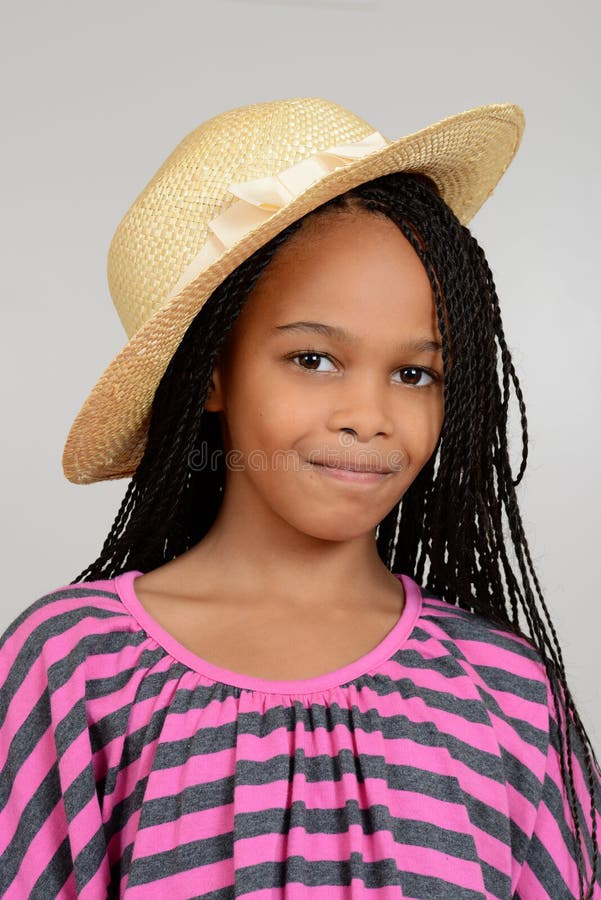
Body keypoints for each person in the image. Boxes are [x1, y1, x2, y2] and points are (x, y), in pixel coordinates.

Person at [0, 96, 599, 899]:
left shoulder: (507, 691)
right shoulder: (74, 669)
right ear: (210, 370)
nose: (367, 418)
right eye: (313, 359)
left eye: (414, 373)